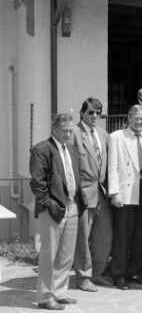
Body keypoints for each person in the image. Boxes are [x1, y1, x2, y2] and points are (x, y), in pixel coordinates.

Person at [30, 113, 86, 310]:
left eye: (70, 131)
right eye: (64, 131)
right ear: (53, 129)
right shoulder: (41, 149)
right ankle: (45, 297)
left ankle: (60, 292)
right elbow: (37, 182)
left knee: (66, 255)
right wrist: (49, 204)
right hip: (52, 209)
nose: (67, 134)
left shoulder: (71, 149)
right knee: (48, 255)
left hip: (72, 205)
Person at [108, 105, 142, 290]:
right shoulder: (117, 137)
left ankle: (135, 270)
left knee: (141, 234)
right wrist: (114, 192)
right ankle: (119, 273)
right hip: (126, 191)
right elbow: (112, 166)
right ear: (129, 118)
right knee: (123, 235)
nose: (139, 122)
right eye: (136, 118)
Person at [70, 98, 113, 292]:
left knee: (104, 234)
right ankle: (83, 276)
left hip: (101, 193)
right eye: (91, 113)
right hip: (82, 193)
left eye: (98, 112)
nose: (95, 116)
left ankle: (97, 272)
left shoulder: (104, 134)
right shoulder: (74, 134)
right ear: (82, 113)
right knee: (82, 237)